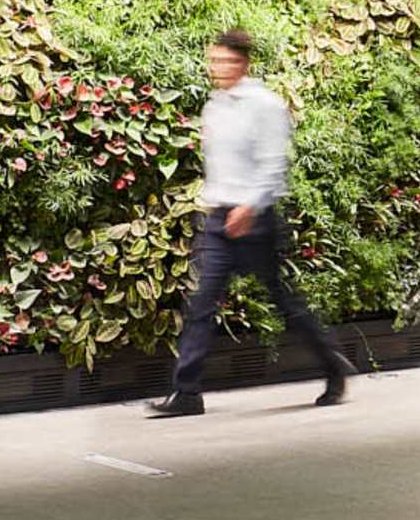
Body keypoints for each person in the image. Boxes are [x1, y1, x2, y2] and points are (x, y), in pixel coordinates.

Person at [143, 29, 354, 419]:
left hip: (255, 220)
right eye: (213, 61)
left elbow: (274, 164)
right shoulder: (214, 106)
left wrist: (249, 207)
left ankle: (333, 366)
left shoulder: (265, 105)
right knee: (201, 304)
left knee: (284, 303)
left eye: (224, 61)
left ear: (243, 63)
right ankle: (186, 393)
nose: (216, 68)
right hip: (220, 216)